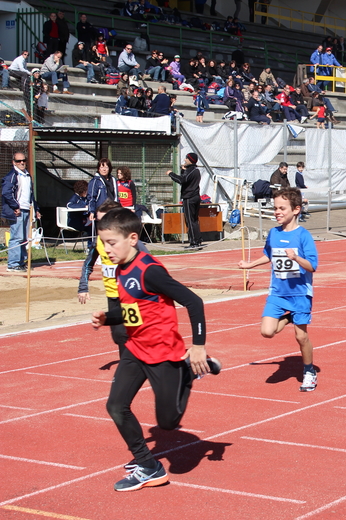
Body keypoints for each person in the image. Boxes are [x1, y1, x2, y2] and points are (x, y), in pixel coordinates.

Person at [91, 207, 220, 492]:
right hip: (136, 349)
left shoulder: (150, 271)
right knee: (115, 406)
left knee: (168, 423)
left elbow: (194, 302)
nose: (106, 249)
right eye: (103, 243)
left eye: (111, 243)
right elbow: (134, 311)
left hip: (163, 353)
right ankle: (148, 466)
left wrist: (198, 346)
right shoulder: (121, 268)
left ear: (133, 238)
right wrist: (108, 318)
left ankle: (189, 370)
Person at [237, 188, 319, 391]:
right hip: (278, 292)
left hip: (300, 293)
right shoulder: (273, 233)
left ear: (296, 210)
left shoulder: (303, 236)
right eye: (275, 208)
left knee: (301, 337)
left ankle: (309, 371)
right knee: (267, 331)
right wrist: (250, 265)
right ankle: (290, 317)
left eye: (282, 208)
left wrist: (296, 258)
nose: (277, 212)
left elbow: (312, 266)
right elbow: (269, 255)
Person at [78, 200, 151, 354]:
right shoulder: (98, 242)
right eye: (98, 221)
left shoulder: (130, 242)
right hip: (112, 295)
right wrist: (83, 287)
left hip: (131, 295)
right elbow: (88, 264)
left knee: (132, 332)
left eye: (104, 220)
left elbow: (148, 263)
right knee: (118, 335)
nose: (101, 225)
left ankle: (136, 363)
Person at [2, 152, 41, 272]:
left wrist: (36, 209)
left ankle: (21, 261)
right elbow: (6, 193)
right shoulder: (12, 175)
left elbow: (30, 195)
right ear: (14, 162)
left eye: (23, 160)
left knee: (24, 237)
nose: (22, 163)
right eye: (19, 161)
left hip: (27, 209)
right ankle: (13, 264)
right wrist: (15, 206)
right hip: (17, 211)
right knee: (17, 237)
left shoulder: (27, 175)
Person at [167, 153, 203, 249]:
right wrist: (183, 170)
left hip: (189, 198)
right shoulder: (195, 171)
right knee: (194, 220)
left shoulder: (192, 170)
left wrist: (171, 174)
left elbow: (182, 180)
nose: (185, 160)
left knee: (190, 220)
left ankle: (194, 242)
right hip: (195, 197)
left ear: (190, 160)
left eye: (186, 158)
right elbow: (186, 179)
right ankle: (198, 240)